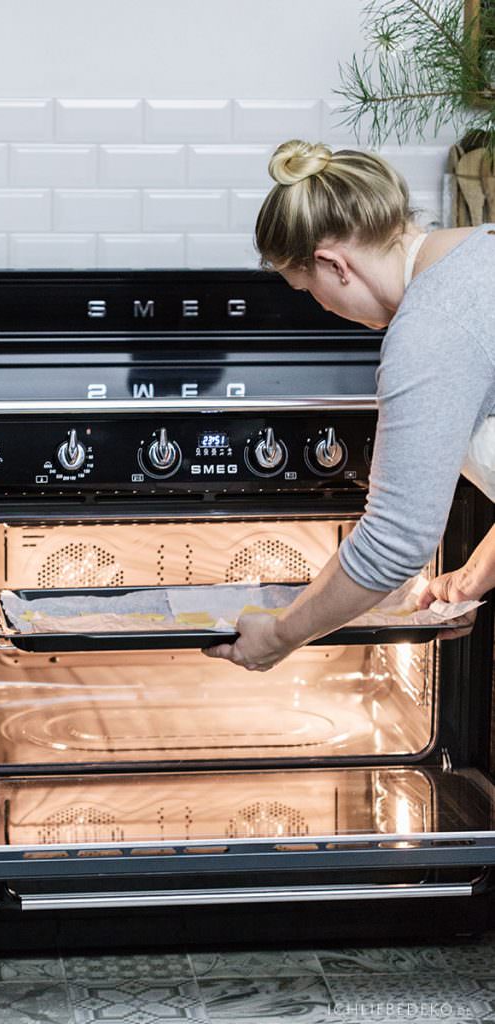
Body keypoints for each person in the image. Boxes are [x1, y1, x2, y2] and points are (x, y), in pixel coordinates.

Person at [204, 139, 495, 672]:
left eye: (308, 290)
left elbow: (393, 542)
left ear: (333, 264)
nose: (323, 307)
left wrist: (281, 634)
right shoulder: (482, 250)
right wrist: (480, 570)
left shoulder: (430, 330)